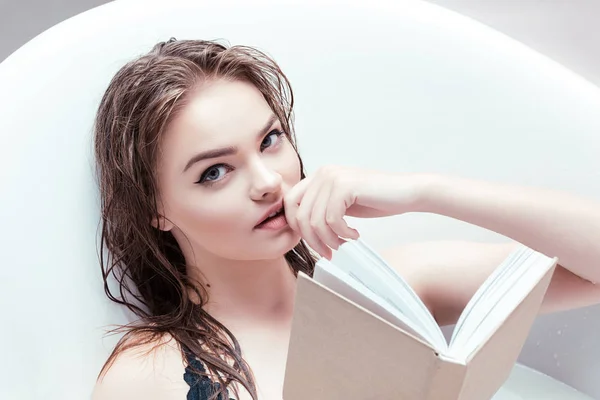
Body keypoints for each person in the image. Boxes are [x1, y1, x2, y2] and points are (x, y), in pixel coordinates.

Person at [91, 38, 600, 400]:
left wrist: (422, 191)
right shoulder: (147, 375)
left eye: (270, 140)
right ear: (155, 209)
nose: (268, 180)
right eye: (215, 171)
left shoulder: (389, 290)